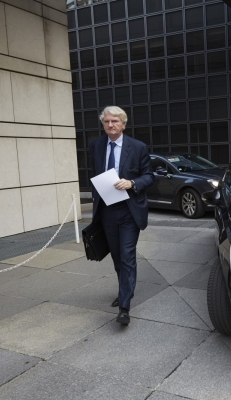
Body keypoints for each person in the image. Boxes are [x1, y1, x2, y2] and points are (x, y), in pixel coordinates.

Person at [89, 106, 153, 325]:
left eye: (115, 121)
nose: (110, 125)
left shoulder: (138, 147)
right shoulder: (95, 145)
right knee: (117, 256)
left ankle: (124, 307)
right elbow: (94, 173)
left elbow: (149, 176)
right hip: (106, 210)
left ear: (123, 124)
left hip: (129, 210)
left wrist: (132, 183)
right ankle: (127, 288)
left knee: (127, 255)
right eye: (106, 122)